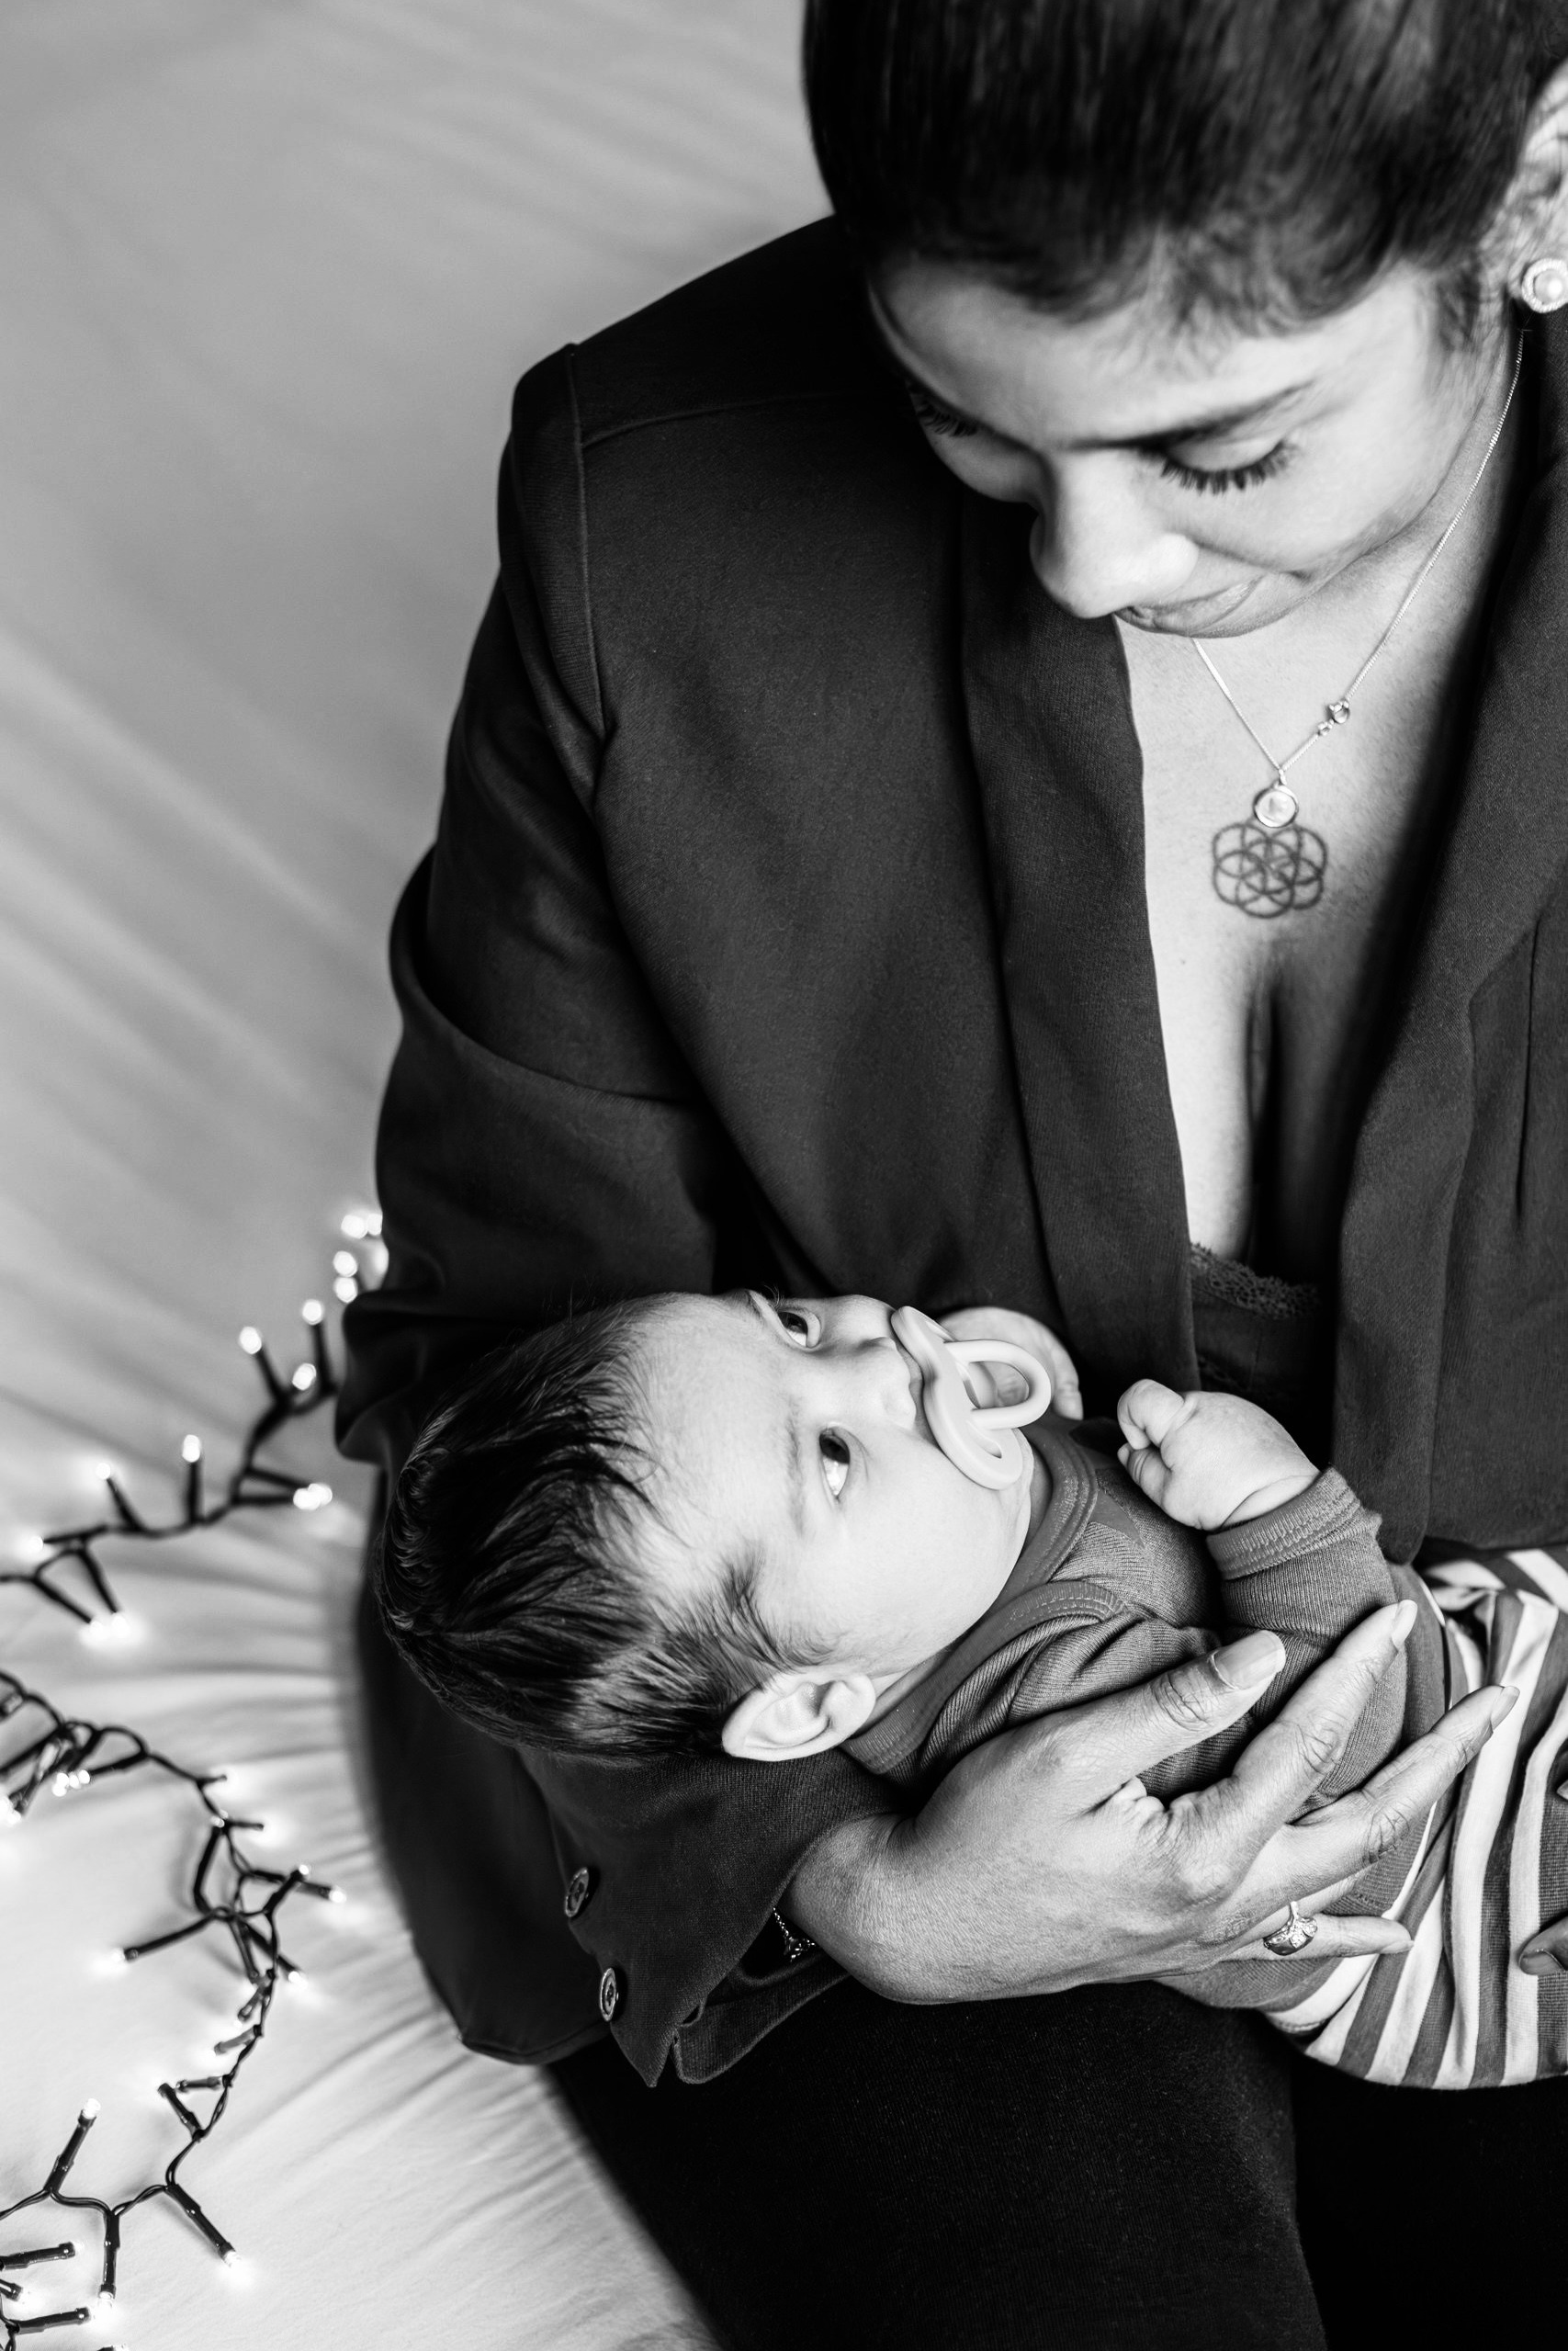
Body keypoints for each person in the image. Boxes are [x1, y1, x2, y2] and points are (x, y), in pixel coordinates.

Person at [337, 1, 1568, 2341]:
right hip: (885, 1729)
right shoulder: (652, 526)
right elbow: (500, 1349)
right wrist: (859, 1886)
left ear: (1531, 193)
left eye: (1220, 447)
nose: (1082, 564)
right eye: (965, 422)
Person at [375, 1284, 1564, 2088]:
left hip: (1475, 1638)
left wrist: (1026, 1374)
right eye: (829, 1455)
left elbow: (1025, 1423)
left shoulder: (949, 1527)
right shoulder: (1036, 1694)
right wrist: (1279, 1511)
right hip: (1462, 1876)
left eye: (792, 1325)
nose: (876, 1360)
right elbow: (1324, 1765)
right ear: (815, 1704)